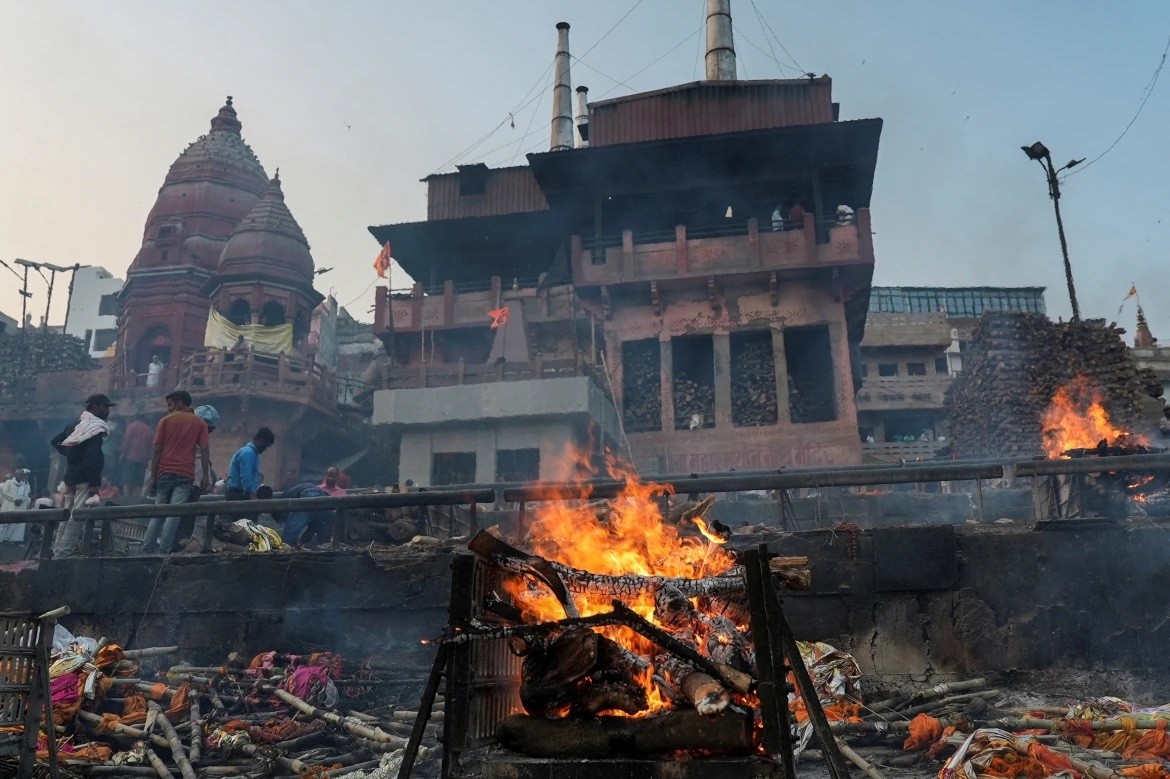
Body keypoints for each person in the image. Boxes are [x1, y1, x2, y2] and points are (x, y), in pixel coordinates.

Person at [141, 390, 210, 555]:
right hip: (185, 474)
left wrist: (152, 476)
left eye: (170, 405)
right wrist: (206, 476)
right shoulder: (200, 424)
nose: (169, 409)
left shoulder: (165, 421)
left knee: (158, 512)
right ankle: (164, 551)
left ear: (179, 402)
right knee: (174, 514)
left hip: (164, 472)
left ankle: (147, 550)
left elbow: (157, 450)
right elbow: (205, 450)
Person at [51, 393, 115, 558]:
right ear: (95, 406)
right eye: (106, 406)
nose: (108, 410)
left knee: (66, 517)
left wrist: (72, 456)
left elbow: (56, 441)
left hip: (71, 477)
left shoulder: (75, 424)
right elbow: (92, 458)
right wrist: (94, 484)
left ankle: (56, 551)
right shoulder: (94, 427)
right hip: (85, 479)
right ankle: (62, 554)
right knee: (76, 517)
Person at [277, 481, 334, 548]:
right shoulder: (295, 492)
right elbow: (312, 528)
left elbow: (290, 527)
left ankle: (285, 551)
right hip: (323, 499)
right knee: (324, 539)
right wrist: (302, 541)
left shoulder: (284, 500)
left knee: (288, 536)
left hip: (309, 494)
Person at [225, 428, 276, 501]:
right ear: (261, 441)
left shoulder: (253, 454)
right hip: (237, 494)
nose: (265, 449)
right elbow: (246, 476)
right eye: (266, 446)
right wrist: (252, 494)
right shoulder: (248, 453)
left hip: (242, 493)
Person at [119, 416, 153, 496]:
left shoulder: (131, 426)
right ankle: (135, 502)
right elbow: (150, 449)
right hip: (142, 460)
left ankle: (126, 500)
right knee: (138, 483)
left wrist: (122, 455)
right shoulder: (150, 430)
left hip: (130, 458)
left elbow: (126, 441)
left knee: (127, 481)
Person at [0, 469, 31, 544]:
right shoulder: (9, 482)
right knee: (3, 523)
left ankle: (8, 539)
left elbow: (26, 495)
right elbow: (5, 492)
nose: (20, 476)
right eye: (18, 474)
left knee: (13, 524)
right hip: (7, 506)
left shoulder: (24, 484)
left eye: (21, 475)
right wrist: (14, 499)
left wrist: (21, 500)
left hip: (17, 506)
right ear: (15, 474)